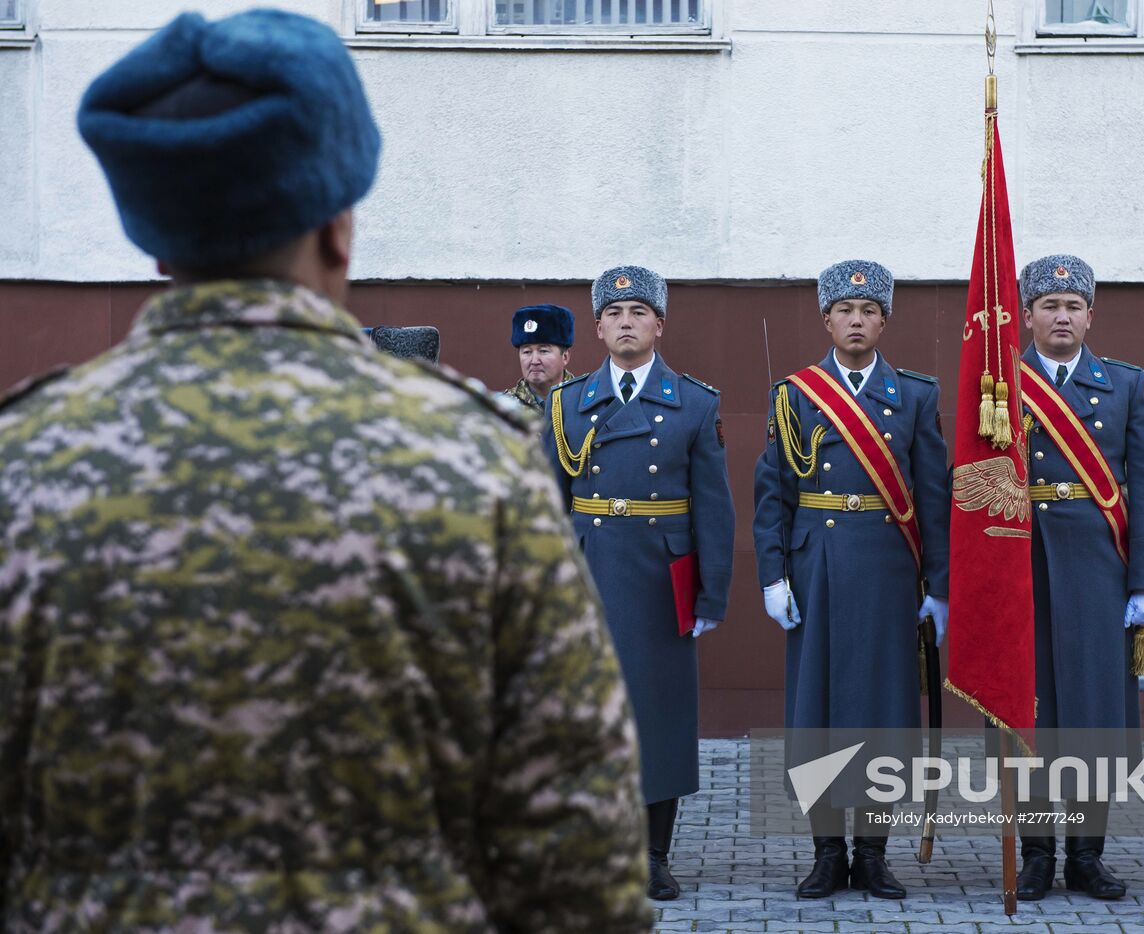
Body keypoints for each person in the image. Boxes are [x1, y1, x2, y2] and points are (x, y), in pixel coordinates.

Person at [0, 11, 652, 931]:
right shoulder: (473, 462)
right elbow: (578, 856)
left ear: (157, 242)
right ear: (340, 226)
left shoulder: (24, 465)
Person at [752, 259, 950, 900]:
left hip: (890, 571)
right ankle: (826, 851)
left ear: (884, 321)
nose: (857, 321)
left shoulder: (915, 396)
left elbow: (935, 497)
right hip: (817, 569)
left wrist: (939, 586)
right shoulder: (796, 395)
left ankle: (873, 852)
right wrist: (773, 575)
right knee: (820, 711)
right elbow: (773, 494)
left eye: (868, 312)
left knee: (884, 711)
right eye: (845, 311)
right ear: (826, 319)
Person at [541, 265, 736, 901]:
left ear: (659, 325)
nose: (626, 324)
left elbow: (714, 506)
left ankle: (654, 855)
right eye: (614, 315)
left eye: (638, 313)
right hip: (590, 568)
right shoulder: (567, 402)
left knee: (659, 714)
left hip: (660, 576)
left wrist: (711, 593)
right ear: (598, 328)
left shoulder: (695, 402)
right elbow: (545, 503)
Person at [1011, 255, 1144, 901]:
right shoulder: (1000, 385)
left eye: (1074, 305)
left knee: (1095, 715)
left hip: (1099, 570)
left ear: (1090, 316)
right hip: (1022, 567)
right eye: (1050, 305)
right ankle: (1036, 851)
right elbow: (967, 486)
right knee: (1030, 713)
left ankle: (1086, 854)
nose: (1062, 315)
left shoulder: (1125, 385)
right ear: (1028, 315)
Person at [502, 303, 575, 412]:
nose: (534, 361)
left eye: (543, 351)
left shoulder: (584, 401)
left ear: (565, 356)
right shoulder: (504, 407)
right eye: (527, 352)